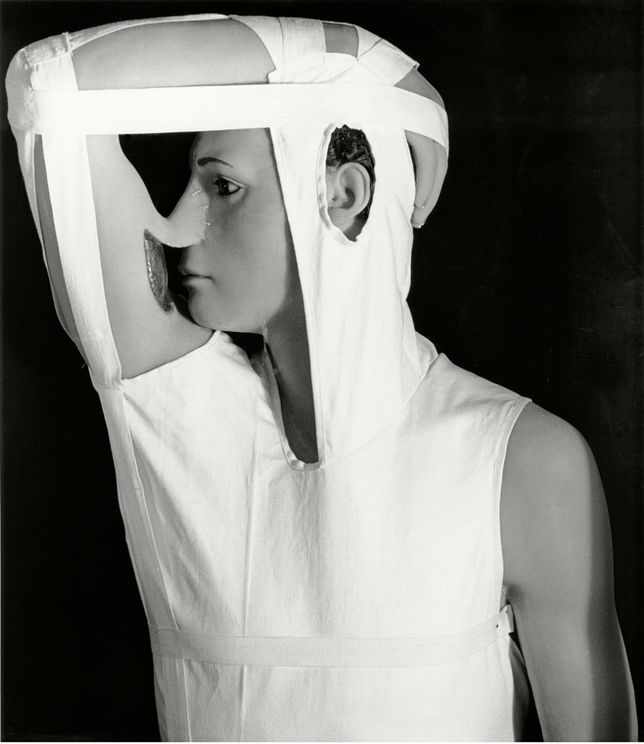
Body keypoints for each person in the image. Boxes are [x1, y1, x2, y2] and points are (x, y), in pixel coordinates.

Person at [6, 13, 636, 741]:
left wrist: (361, 79)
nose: (177, 228)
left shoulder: (521, 463)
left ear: (343, 194)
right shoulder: (176, 412)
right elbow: (53, 86)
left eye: (222, 186)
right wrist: (357, 58)